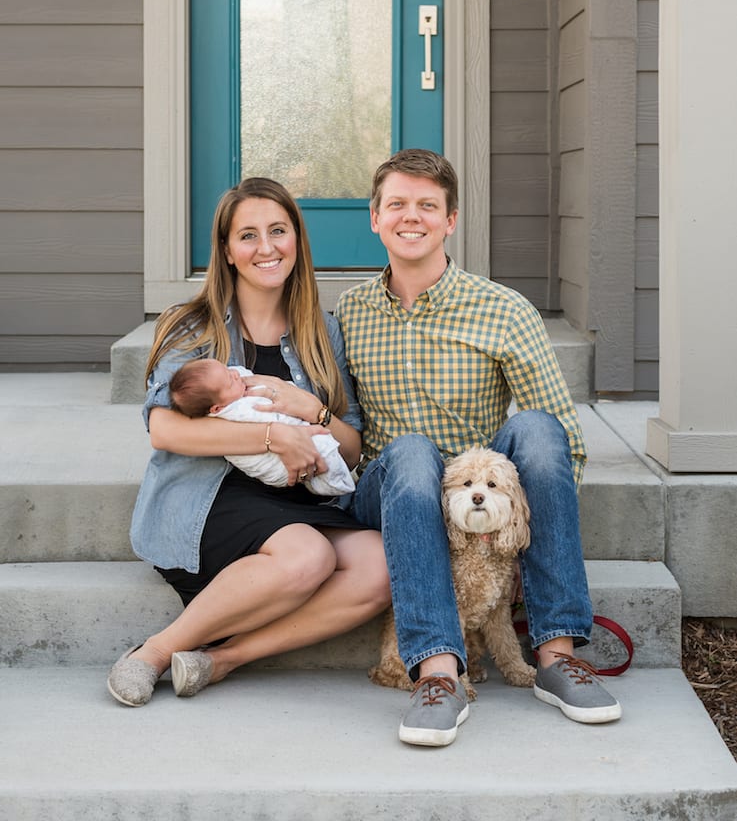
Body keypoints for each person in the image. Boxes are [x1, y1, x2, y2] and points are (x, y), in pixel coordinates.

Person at [335, 148, 622, 747]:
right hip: (392, 488)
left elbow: (566, 445)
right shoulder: (350, 313)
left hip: (477, 489)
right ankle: (438, 671)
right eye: (397, 204)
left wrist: (510, 530)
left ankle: (556, 654)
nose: (410, 217)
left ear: (451, 220)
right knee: (412, 451)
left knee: (542, 432)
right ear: (375, 217)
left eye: (427, 206)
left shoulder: (504, 309)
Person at [107, 177, 390, 707]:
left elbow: (352, 448)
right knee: (309, 556)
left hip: (301, 499)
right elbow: (165, 428)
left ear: (297, 241)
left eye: (278, 231)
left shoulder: (323, 332)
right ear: (228, 252)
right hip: (210, 499)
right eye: (248, 236)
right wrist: (271, 434)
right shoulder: (192, 326)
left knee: (379, 566)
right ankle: (156, 652)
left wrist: (314, 411)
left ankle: (221, 659)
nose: (266, 248)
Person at [167, 357, 355, 495]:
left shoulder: (228, 385)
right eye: (230, 381)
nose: (235, 374)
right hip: (273, 471)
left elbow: (354, 450)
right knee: (321, 449)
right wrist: (284, 431)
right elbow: (273, 418)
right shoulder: (238, 410)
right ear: (217, 408)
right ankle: (337, 485)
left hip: (286, 490)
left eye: (228, 370)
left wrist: (314, 410)